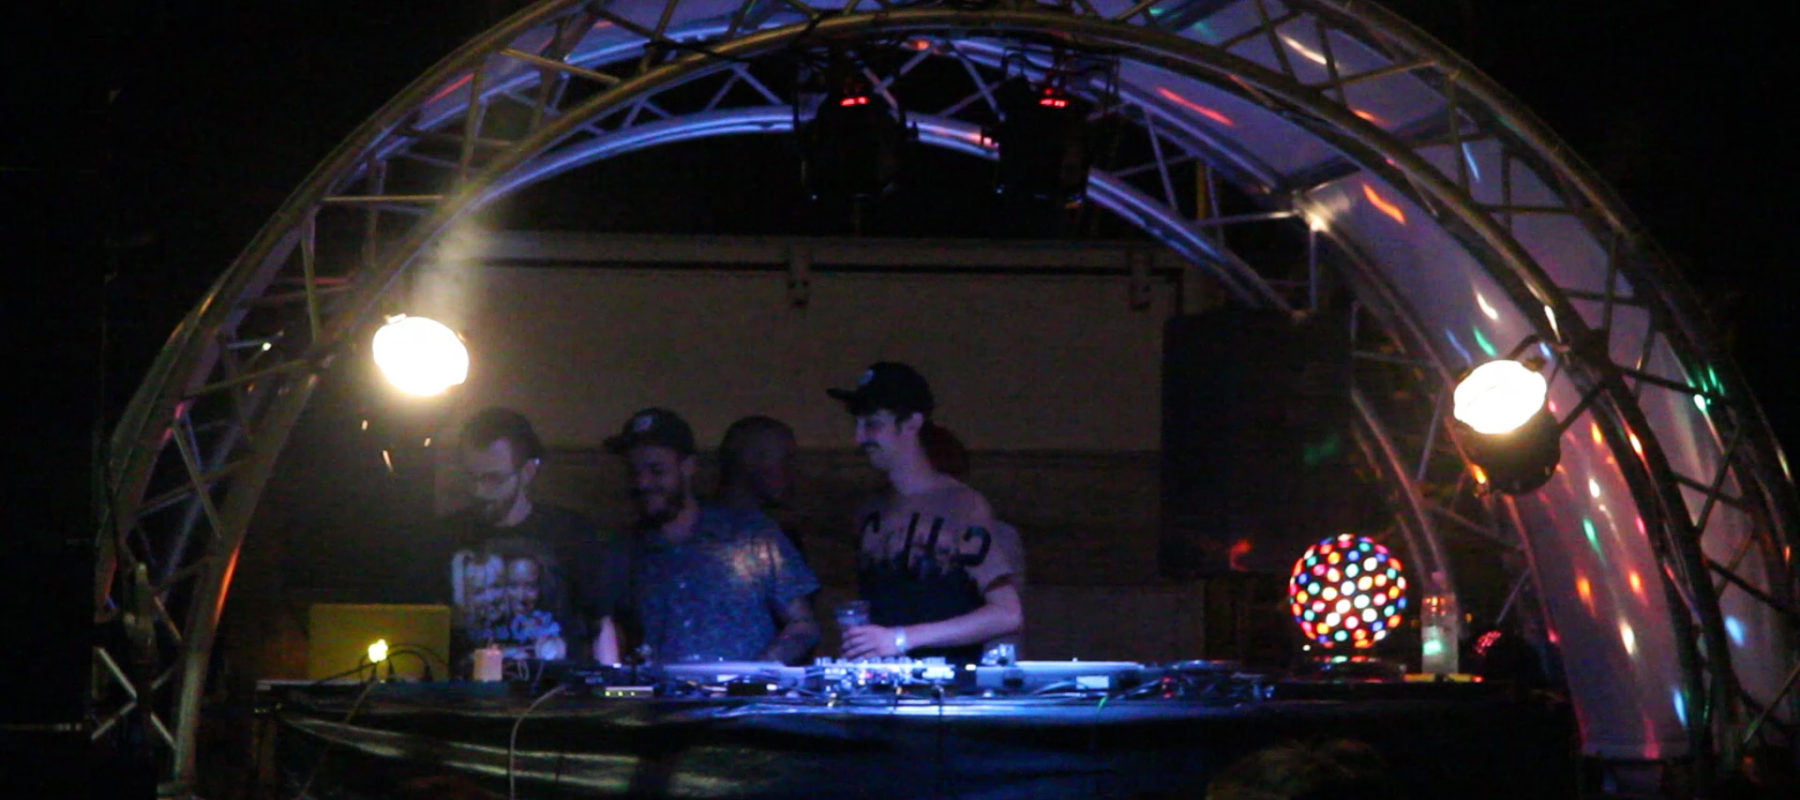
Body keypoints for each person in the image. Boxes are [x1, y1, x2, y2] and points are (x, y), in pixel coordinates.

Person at [827, 362, 1024, 663]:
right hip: (882, 683)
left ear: (911, 422)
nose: (859, 438)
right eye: (857, 423)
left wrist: (899, 639)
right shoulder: (870, 511)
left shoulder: (961, 505)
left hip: (946, 685)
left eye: (872, 423)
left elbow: (1007, 613)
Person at [609, 408, 820, 664]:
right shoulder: (623, 550)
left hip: (747, 689)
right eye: (634, 472)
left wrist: (755, 673)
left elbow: (803, 625)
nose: (642, 483)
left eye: (656, 470)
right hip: (660, 689)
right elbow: (608, 632)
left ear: (688, 467)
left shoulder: (752, 533)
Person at [436, 407, 626, 667]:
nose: (479, 491)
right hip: (465, 687)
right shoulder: (445, 536)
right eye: (471, 477)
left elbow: (600, 624)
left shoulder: (571, 533)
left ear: (527, 472)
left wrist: (612, 686)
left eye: (493, 479)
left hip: (553, 689)